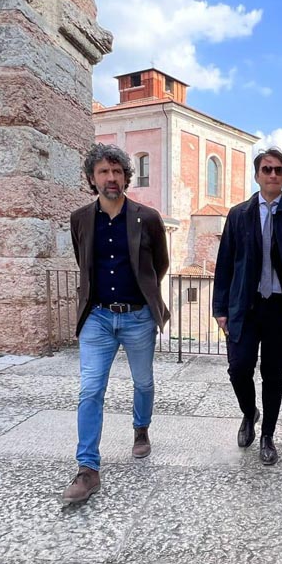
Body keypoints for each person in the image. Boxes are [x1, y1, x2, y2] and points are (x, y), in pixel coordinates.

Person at [62, 143, 170, 504]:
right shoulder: (80, 219)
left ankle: (141, 429)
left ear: (126, 176)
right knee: (90, 390)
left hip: (138, 317)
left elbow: (160, 264)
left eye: (117, 171)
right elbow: (83, 261)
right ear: (92, 178)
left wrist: (143, 293)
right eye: (104, 172)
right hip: (97, 316)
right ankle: (87, 469)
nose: (111, 178)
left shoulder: (147, 218)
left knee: (143, 381)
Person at [213, 147, 282, 465]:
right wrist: (220, 308)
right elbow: (225, 264)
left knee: (274, 374)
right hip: (245, 307)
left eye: (278, 170)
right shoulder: (239, 214)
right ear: (257, 175)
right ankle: (250, 413)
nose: (272, 174)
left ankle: (267, 436)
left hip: (279, 309)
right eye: (266, 169)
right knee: (238, 369)